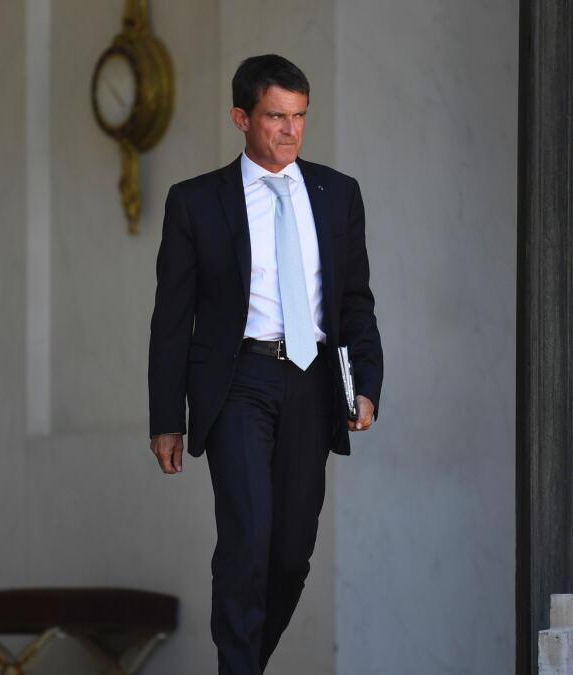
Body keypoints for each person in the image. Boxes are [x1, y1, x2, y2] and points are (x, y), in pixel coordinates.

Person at [147, 54, 384, 674]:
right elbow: (172, 319)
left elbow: (354, 303)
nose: (290, 131)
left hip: (312, 382)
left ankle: (246, 663)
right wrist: (166, 418)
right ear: (241, 118)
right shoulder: (194, 203)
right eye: (276, 117)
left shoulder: (338, 195)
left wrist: (365, 385)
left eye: (300, 117)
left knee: (289, 556)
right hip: (237, 384)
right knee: (248, 539)